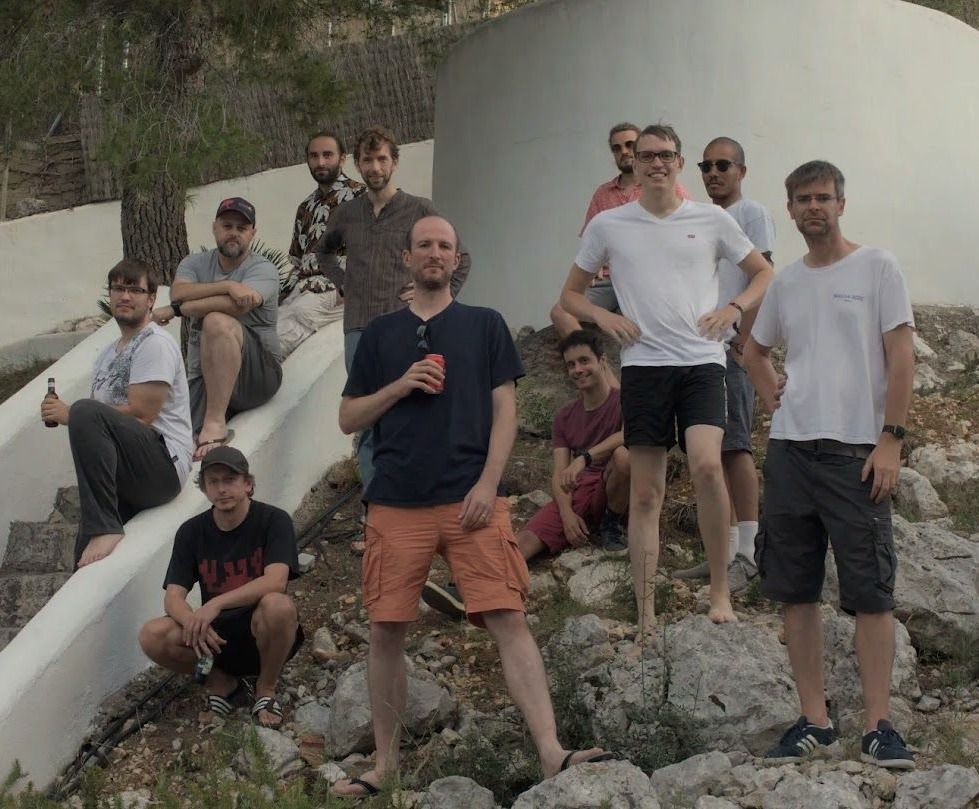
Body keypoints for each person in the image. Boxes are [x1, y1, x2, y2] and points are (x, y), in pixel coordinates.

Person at [331, 215, 611, 798]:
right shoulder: (381, 333)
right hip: (396, 503)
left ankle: (551, 752)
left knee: (509, 618)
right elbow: (348, 417)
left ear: (456, 260)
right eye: (424, 245)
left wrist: (488, 484)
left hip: (472, 500)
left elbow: (505, 411)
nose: (435, 253)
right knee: (385, 630)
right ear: (407, 258)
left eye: (445, 246)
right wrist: (400, 385)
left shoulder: (485, 325)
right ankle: (385, 767)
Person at [559, 124, 774, 644]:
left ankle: (720, 592)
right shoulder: (609, 224)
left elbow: (764, 273)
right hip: (644, 366)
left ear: (679, 163)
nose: (656, 163)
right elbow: (570, 295)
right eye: (647, 155)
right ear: (634, 164)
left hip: (702, 362)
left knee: (707, 465)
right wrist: (604, 318)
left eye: (666, 155)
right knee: (647, 492)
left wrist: (733, 308)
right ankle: (646, 614)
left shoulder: (712, 218)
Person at [744, 160, 915, 769]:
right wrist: (772, 395)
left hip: (856, 453)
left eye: (823, 197)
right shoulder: (786, 282)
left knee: (871, 591)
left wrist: (891, 439)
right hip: (791, 451)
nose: (813, 207)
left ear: (841, 204)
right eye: (803, 199)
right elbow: (752, 350)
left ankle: (878, 726)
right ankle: (814, 721)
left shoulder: (877, 267)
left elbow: (901, 356)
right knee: (796, 591)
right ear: (789, 209)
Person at [315, 126, 471, 549]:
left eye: (382, 159)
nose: (375, 167)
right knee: (366, 422)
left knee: (416, 413)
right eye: (367, 160)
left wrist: (438, 297)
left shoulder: (419, 209)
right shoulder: (347, 213)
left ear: (395, 162)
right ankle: (377, 514)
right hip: (359, 327)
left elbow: (461, 257)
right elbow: (323, 251)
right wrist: (343, 282)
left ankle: (425, 508)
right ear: (357, 164)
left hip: (407, 325)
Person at [423, 329, 630, 620]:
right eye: (571, 364)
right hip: (579, 490)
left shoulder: (625, 401)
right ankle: (466, 590)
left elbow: (630, 434)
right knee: (524, 540)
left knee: (624, 457)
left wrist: (585, 458)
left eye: (585, 361)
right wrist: (566, 515)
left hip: (613, 488)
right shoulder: (565, 417)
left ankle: (612, 525)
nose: (578, 369)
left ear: (602, 361)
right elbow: (559, 474)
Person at [138, 446, 304, 729]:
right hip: (215, 640)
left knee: (278, 605)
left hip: (262, 630)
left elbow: (276, 580)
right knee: (152, 635)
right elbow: (173, 597)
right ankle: (222, 684)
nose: (222, 489)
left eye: (230, 479)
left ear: (248, 484)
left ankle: (266, 689)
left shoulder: (273, 520)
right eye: (213, 482)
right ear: (204, 489)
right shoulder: (191, 532)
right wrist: (191, 621)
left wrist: (215, 604)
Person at [41, 260, 192, 568]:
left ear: (151, 299)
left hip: (163, 466)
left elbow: (142, 415)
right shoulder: (107, 354)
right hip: (124, 473)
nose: (125, 296)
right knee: (82, 560)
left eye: (135, 289)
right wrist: (74, 415)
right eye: (118, 288)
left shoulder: (155, 344)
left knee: (84, 410)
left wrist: (72, 414)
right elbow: (100, 426)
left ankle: (106, 526)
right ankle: (100, 529)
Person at [675, 136, 775, 592]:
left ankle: (750, 551)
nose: (713, 173)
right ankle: (725, 550)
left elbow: (763, 274)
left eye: (723, 165)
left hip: (731, 348)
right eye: (706, 166)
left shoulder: (750, 213)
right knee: (710, 452)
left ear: (741, 171)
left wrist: (745, 341)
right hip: (701, 352)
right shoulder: (701, 218)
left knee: (735, 447)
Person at [153, 197, 282, 459]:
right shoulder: (194, 263)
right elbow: (178, 292)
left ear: (253, 233)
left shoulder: (263, 269)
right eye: (227, 226)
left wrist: (179, 310)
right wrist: (228, 286)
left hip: (257, 375)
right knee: (164, 438)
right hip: (204, 377)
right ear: (214, 227)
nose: (233, 233)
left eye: (241, 228)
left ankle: (215, 423)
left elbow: (238, 305)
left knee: (215, 320)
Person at [549, 122, 692, 341]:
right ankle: (592, 358)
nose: (624, 151)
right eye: (617, 148)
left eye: (629, 145)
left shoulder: (666, 186)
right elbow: (590, 241)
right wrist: (594, 266)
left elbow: (687, 231)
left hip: (648, 276)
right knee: (560, 313)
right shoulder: (603, 193)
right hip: (608, 280)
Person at [277, 130, 365, 355]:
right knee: (262, 330)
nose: (321, 162)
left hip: (338, 291)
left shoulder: (362, 197)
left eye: (327, 155)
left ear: (342, 158)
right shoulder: (305, 207)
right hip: (304, 290)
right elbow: (298, 262)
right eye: (314, 156)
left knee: (288, 328)